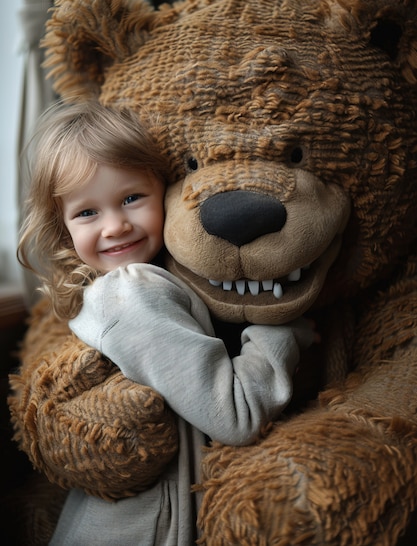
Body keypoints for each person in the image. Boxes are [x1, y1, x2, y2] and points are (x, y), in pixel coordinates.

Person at [18, 100, 317, 546]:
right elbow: (235, 416)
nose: (116, 225)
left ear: (166, 191)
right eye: (87, 212)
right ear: (63, 229)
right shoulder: (131, 291)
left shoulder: (132, 284)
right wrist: (281, 329)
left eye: (131, 198)